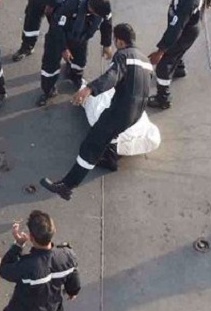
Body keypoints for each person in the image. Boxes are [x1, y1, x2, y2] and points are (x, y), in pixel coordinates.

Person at [40, 23, 154, 200]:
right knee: (111, 130)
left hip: (122, 110)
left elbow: (112, 76)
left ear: (120, 41)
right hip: (137, 112)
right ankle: (110, 159)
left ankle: (66, 186)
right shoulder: (145, 61)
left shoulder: (123, 55)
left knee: (91, 144)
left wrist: (89, 89)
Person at [148, 0, 211, 110]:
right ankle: (179, 68)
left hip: (185, 32)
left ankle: (163, 98)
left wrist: (160, 52)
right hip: (193, 27)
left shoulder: (187, 3)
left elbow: (175, 30)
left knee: (164, 64)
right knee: (178, 52)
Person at [37, 0, 113, 107]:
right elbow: (56, 28)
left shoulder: (103, 8)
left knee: (80, 61)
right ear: (92, 9)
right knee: (50, 67)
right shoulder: (70, 5)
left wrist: (106, 44)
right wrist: (64, 48)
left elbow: (107, 24)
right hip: (57, 38)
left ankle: (74, 76)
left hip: (80, 38)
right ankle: (48, 90)